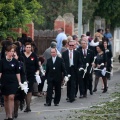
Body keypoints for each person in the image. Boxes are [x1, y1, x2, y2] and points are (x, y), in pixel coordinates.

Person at [0, 45, 21, 120]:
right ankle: (7, 114)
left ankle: (10, 116)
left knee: (11, 97)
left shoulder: (15, 61)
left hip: (13, 81)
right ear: (6, 52)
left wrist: (19, 82)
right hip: (4, 81)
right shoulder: (2, 61)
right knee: (5, 98)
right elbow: (0, 72)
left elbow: (17, 73)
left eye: (13, 51)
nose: (11, 53)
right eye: (10, 51)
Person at [22, 42, 39, 112]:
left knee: (29, 90)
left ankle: (28, 106)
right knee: (24, 90)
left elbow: (37, 66)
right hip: (23, 75)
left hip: (31, 75)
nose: (28, 48)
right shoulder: (22, 55)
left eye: (29, 47)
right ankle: (23, 103)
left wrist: (37, 73)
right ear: (25, 48)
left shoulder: (34, 55)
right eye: (27, 47)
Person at [13, 51, 26, 118]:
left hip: (19, 82)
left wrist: (24, 82)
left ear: (17, 56)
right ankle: (11, 112)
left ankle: (15, 111)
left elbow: (23, 74)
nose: (13, 57)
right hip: (11, 82)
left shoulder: (20, 64)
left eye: (14, 55)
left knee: (17, 98)